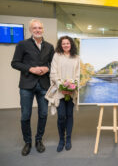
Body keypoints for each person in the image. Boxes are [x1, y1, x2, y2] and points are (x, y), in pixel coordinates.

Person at [11, 19, 54, 156]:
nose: (37, 30)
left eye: (40, 28)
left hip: (43, 85)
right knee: (25, 115)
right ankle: (28, 142)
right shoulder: (22, 44)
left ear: (43, 29)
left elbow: (53, 65)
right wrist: (30, 69)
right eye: (35, 28)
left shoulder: (49, 46)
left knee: (43, 114)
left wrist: (47, 68)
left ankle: (38, 140)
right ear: (30, 30)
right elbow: (15, 63)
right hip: (26, 85)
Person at [45, 36, 80, 152]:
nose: (65, 45)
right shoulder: (56, 56)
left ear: (71, 45)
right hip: (59, 92)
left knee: (69, 115)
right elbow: (53, 73)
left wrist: (72, 87)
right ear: (60, 45)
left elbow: (77, 74)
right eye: (63, 43)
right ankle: (61, 139)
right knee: (61, 117)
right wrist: (62, 86)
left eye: (68, 43)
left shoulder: (76, 58)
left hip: (71, 91)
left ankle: (68, 139)